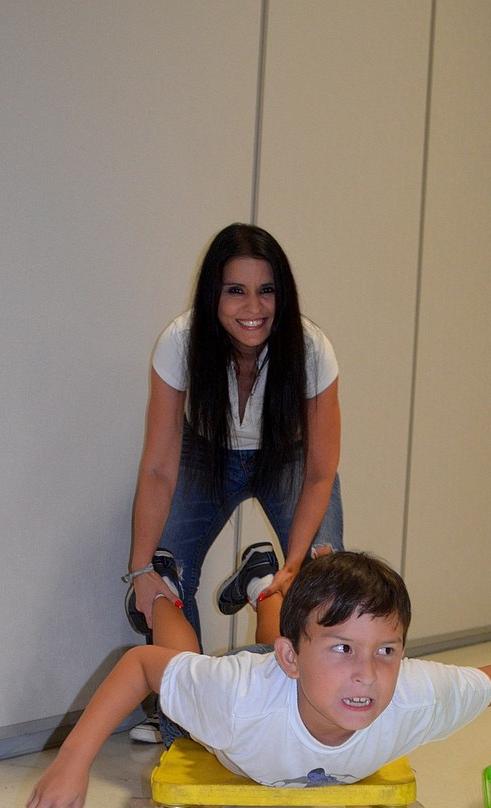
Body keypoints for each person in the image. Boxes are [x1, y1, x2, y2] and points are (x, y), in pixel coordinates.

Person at [25, 552, 491, 808]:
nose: (368, 677)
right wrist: (73, 760)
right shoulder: (235, 702)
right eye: (345, 649)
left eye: (386, 651)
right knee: (182, 665)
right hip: (236, 718)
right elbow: (141, 669)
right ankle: (160, 591)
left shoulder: (412, 698)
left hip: (285, 670)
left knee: (292, 648)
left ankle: (268, 586)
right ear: (293, 661)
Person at [124, 223, 343, 742]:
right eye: (235, 290)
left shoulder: (311, 350)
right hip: (204, 455)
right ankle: (189, 718)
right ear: (213, 295)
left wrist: (294, 566)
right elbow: (158, 466)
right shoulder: (180, 342)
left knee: (318, 587)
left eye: (266, 290)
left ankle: (268, 590)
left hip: (287, 456)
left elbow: (319, 469)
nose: (253, 306)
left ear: (281, 295)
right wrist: (139, 569)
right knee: (161, 584)